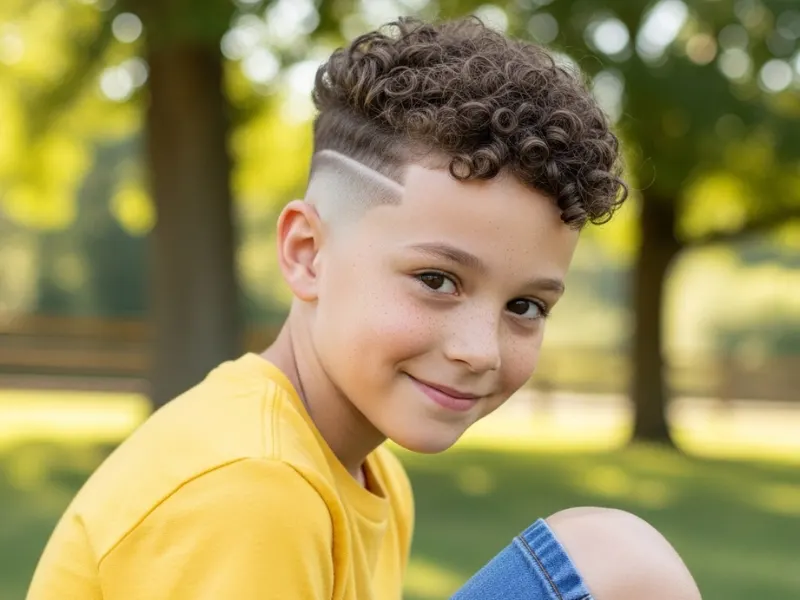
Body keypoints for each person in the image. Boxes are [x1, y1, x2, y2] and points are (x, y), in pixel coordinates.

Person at [27, 16, 702, 600]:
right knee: (618, 567)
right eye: (437, 280)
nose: (481, 349)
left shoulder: (369, 476)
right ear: (306, 252)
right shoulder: (250, 484)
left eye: (525, 305)